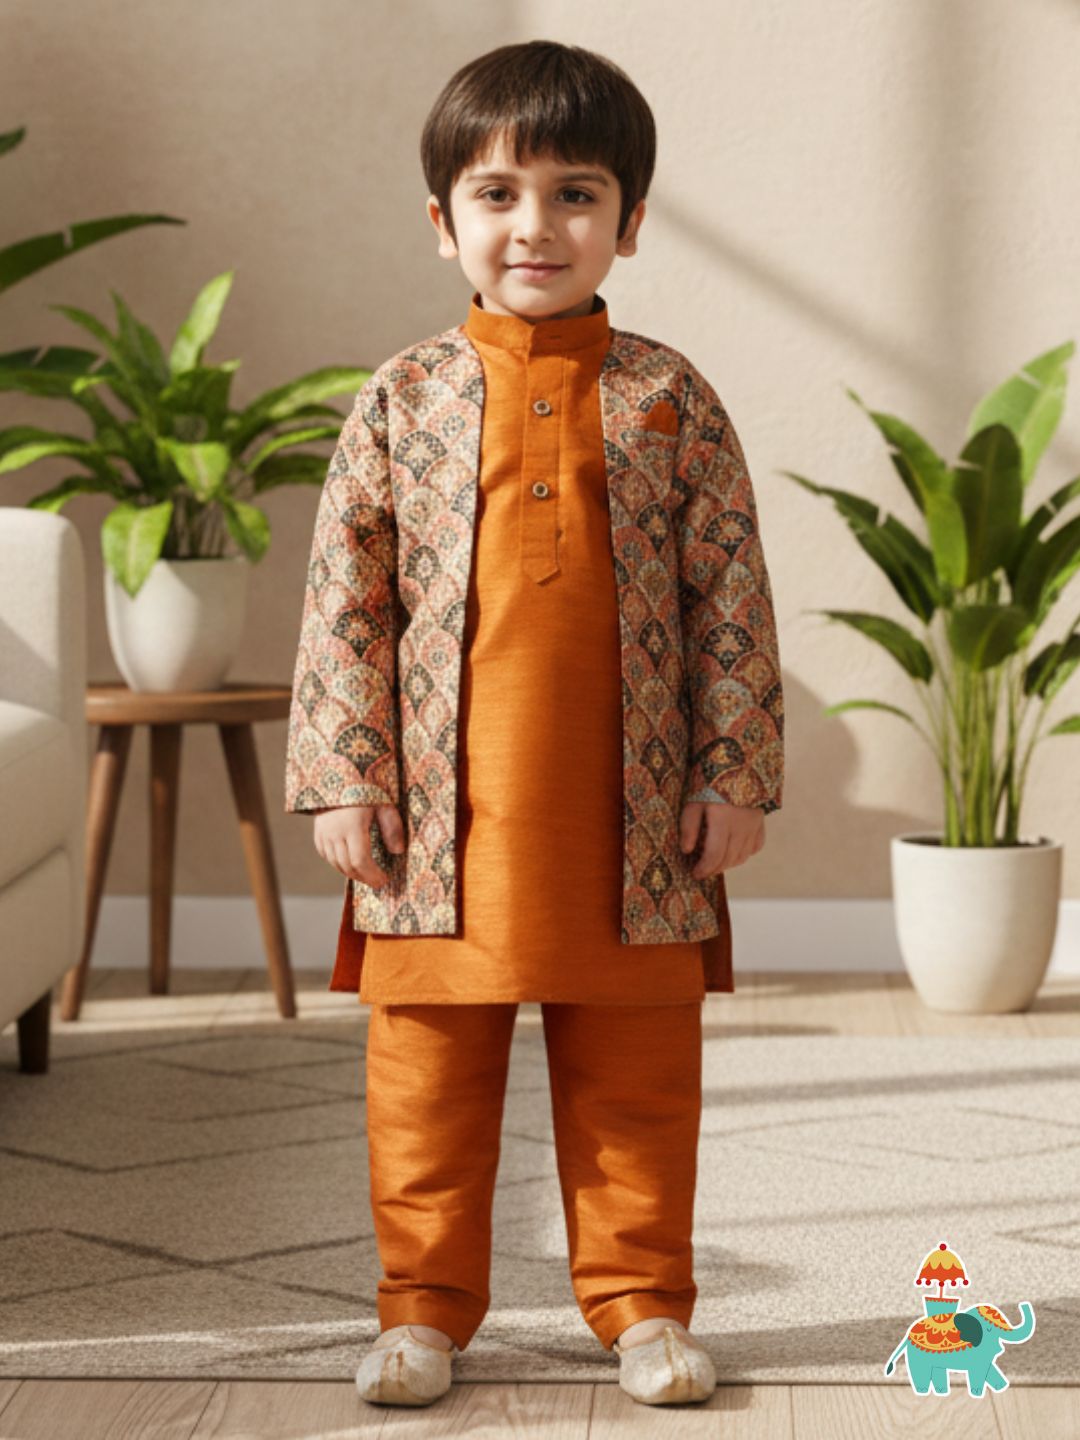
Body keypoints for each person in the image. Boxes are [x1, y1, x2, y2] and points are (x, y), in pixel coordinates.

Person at [284, 38, 784, 1409]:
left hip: (634, 817)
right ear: (442, 221)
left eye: (576, 194)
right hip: (436, 821)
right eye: (498, 194)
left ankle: (645, 1307)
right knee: (426, 1074)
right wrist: (345, 775)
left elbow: (731, 597)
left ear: (631, 220)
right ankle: (420, 1313)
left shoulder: (671, 399)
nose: (536, 227)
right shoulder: (401, 399)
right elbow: (345, 602)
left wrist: (736, 772)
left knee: (637, 1073)